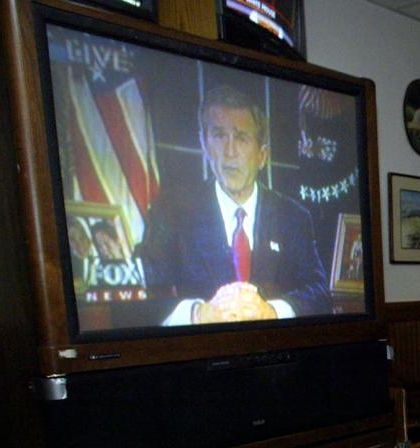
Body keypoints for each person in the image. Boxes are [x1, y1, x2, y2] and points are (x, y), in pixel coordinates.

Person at [141, 85, 331, 325]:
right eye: (219, 135)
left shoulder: (293, 216)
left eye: (241, 138)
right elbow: (149, 294)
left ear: (262, 155)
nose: (229, 152)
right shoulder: (170, 210)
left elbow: (319, 292)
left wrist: (271, 312)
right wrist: (197, 314)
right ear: (204, 144)